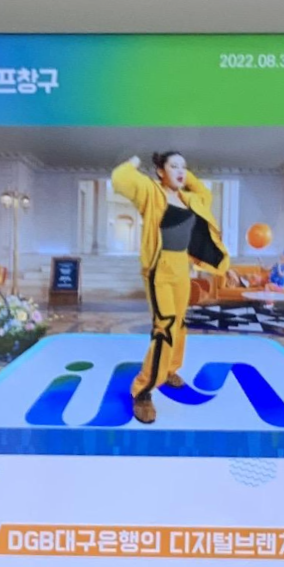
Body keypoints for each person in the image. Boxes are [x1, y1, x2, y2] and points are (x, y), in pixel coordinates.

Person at [108, 147, 224, 423]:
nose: (181, 172)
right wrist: (135, 160)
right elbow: (120, 178)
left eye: (184, 166)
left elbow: (205, 194)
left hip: (182, 266)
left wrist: (183, 173)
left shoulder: (190, 198)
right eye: (174, 166)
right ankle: (143, 390)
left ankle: (170, 368)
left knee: (180, 322)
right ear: (160, 171)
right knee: (165, 326)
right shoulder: (151, 192)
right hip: (159, 268)